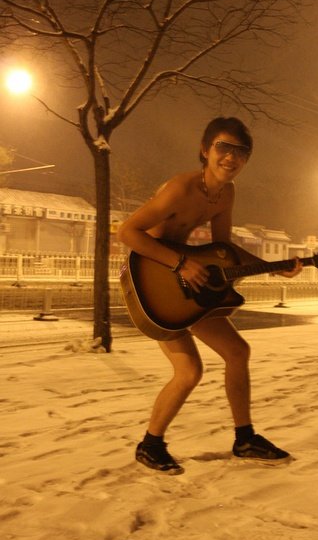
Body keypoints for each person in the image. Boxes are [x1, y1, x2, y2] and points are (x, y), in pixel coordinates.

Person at [118, 117, 302, 475]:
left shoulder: (225, 193)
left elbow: (223, 247)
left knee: (237, 351)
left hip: (183, 283)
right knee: (189, 370)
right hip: (151, 283)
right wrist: (181, 262)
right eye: (224, 147)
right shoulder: (180, 188)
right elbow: (128, 231)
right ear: (205, 150)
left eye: (241, 151)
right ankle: (150, 445)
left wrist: (273, 266)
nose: (231, 157)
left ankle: (244, 438)